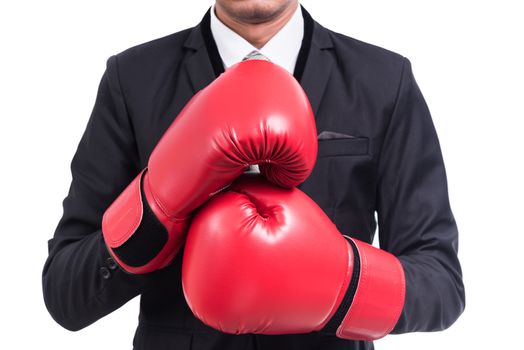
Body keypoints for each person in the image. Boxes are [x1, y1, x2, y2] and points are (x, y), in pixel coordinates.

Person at [42, 1, 465, 349]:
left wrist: (343, 281)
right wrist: (155, 208)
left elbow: (442, 284)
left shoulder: (384, 80)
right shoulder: (132, 78)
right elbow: (66, 294)